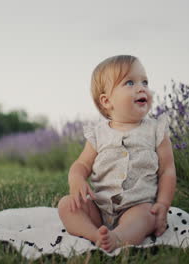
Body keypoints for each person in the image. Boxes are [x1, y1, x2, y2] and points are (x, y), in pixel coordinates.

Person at [57, 55, 177, 252]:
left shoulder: (156, 130)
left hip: (136, 206)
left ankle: (119, 237)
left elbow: (167, 171)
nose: (141, 87)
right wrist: (76, 178)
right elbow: (82, 165)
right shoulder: (98, 133)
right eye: (130, 82)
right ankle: (94, 234)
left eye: (145, 82)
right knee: (66, 205)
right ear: (106, 101)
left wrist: (163, 204)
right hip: (99, 207)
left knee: (147, 215)